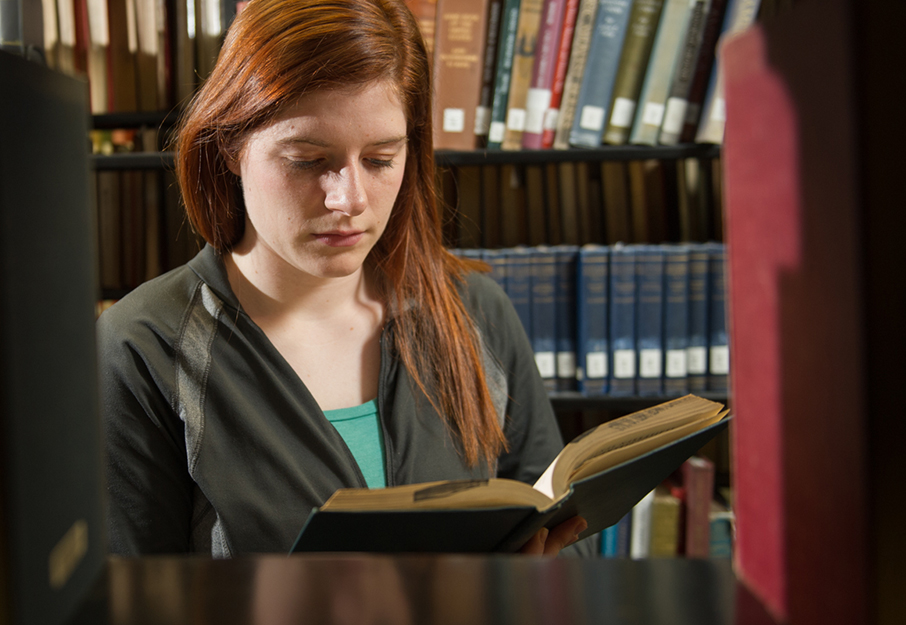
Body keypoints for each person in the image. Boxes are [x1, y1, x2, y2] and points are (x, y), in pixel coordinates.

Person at [97, 0, 587, 557]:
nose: (349, 199)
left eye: (381, 159)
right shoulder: (143, 348)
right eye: (306, 160)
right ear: (231, 146)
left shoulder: (476, 313)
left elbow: (561, 534)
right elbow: (131, 598)